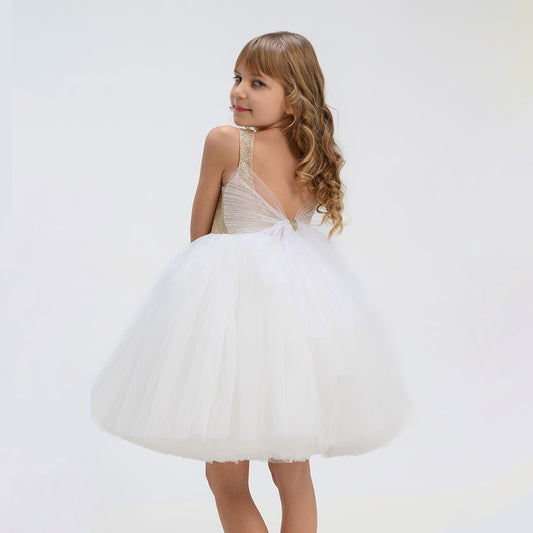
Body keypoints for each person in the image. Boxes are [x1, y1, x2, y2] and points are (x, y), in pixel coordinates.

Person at [91, 31, 413, 533]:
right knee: (294, 474)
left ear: (294, 97)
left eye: (258, 83)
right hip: (297, 317)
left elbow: (200, 235)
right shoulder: (312, 151)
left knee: (225, 477)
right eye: (238, 78)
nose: (239, 91)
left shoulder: (226, 142)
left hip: (231, 313)